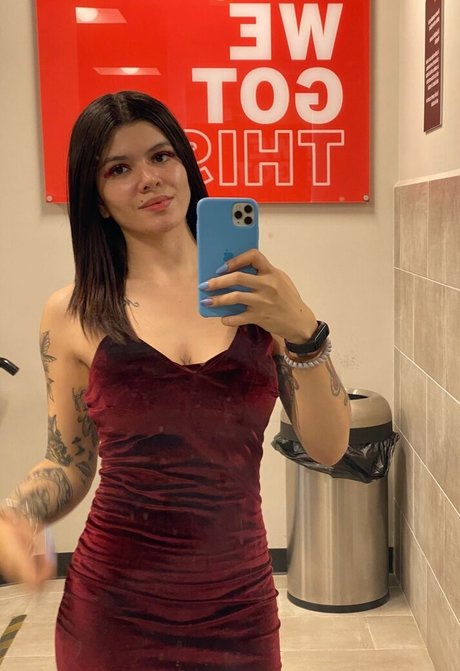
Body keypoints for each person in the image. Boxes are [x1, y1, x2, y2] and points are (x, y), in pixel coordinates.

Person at [0, 91, 350, 670]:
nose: (149, 179)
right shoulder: (73, 313)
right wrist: (16, 515)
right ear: (98, 201)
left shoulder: (260, 296)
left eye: (161, 156)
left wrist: (304, 331)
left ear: (186, 165)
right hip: (113, 612)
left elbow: (330, 447)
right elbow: (68, 462)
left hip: (238, 609)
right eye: (119, 169)